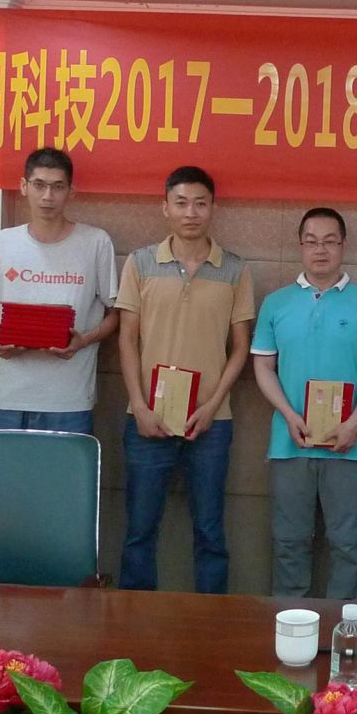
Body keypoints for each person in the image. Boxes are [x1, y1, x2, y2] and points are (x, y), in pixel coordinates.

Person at [115, 166, 254, 593]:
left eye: (200, 203)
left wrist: (212, 406)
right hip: (147, 419)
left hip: (211, 423)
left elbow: (241, 347)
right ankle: (135, 616)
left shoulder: (234, 269)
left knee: (210, 531)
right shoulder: (140, 263)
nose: (190, 212)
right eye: (181, 203)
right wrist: (139, 406)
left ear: (213, 208)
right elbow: (126, 339)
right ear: (165, 208)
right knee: (140, 530)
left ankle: (210, 621)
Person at [251, 208, 357, 600]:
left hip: (348, 442)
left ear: (343, 246)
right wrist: (288, 414)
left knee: (348, 543)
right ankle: (290, 625)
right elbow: (263, 367)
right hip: (290, 440)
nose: (320, 250)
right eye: (311, 241)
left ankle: (344, 627)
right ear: (300, 246)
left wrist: (355, 421)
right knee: (289, 541)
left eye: (330, 241)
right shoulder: (276, 303)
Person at [0, 148, 118, 434]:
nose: (47, 196)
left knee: (67, 467)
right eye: (39, 185)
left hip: (70, 400)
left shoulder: (96, 242)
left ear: (71, 191)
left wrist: (83, 341)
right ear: (24, 186)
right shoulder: (2, 243)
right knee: (5, 466)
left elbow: (115, 315)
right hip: (8, 398)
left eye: (57, 187)